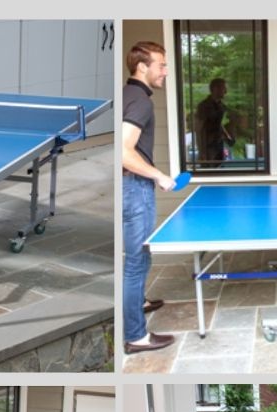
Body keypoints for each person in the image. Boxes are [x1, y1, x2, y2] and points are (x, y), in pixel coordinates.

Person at [122, 41, 176, 355]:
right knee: (136, 262)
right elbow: (124, 152)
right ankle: (136, 336)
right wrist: (158, 175)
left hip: (131, 188)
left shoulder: (129, 94)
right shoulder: (140, 101)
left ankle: (139, 302)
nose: (165, 71)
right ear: (142, 66)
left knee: (140, 257)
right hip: (135, 188)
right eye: (161, 65)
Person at [195, 78, 232, 166]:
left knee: (219, 169)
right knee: (209, 170)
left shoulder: (221, 106)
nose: (226, 92)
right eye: (224, 88)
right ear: (215, 89)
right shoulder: (204, 106)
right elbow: (199, 129)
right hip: (208, 148)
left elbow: (218, 123)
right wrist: (202, 152)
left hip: (218, 145)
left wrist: (227, 136)